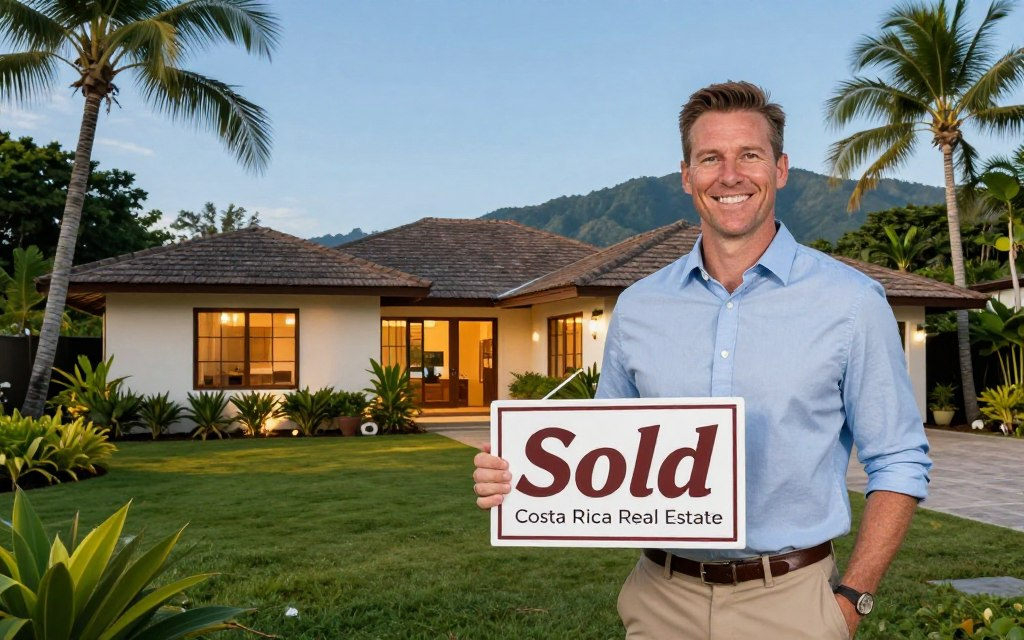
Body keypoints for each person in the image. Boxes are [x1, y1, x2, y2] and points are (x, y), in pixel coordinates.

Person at [473, 81, 931, 639]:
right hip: (660, 600)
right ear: (687, 176)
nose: (730, 174)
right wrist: (516, 477)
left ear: (781, 169)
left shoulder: (852, 303)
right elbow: (604, 456)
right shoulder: (639, 306)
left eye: (750, 155)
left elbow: (900, 457)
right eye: (710, 157)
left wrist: (853, 598)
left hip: (792, 604)